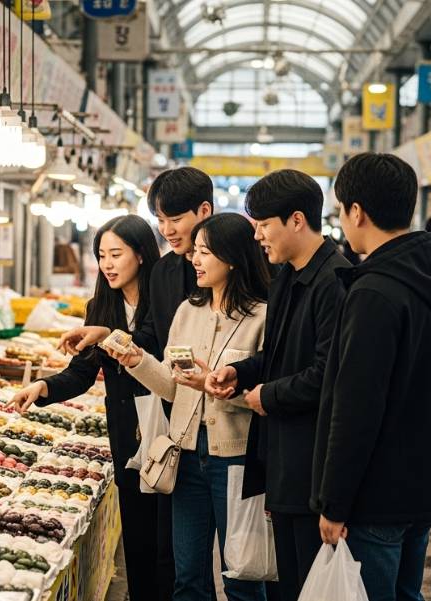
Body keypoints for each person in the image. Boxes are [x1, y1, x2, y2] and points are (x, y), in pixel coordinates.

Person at [312, 153, 431, 601]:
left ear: (357, 211)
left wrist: (334, 502)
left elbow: (357, 406)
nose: (342, 221)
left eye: (341, 210)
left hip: (378, 492)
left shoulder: (374, 291)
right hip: (426, 482)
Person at [104, 213, 269, 601]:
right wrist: (138, 361)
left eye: (205, 252)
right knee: (188, 577)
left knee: (242, 577)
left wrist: (215, 387)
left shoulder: (262, 317)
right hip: (187, 456)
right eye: (195, 251)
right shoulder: (187, 312)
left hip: (236, 460)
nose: (194, 259)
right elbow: (171, 387)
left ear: (232, 257)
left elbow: (264, 397)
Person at [10, 215, 173, 601]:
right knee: (138, 545)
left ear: (141, 254)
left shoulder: (165, 300)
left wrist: (107, 335)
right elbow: (82, 373)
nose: (107, 264)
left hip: (168, 433)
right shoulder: (99, 305)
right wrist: (43, 386)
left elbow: (149, 344)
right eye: (102, 255)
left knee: (169, 549)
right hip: (127, 437)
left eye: (116, 254)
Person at [205, 169, 349, 601]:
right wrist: (242, 372)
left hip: (312, 465)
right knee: (285, 585)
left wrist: (267, 395)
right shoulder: (286, 275)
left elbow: (329, 374)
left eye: (264, 225)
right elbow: (279, 356)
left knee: (309, 585)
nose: (258, 236)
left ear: (297, 220)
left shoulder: (335, 282)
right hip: (282, 461)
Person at [58, 166, 214, 359]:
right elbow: (150, 341)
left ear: (204, 211)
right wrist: (107, 336)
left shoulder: (231, 265)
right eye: (161, 220)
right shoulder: (163, 271)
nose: (167, 230)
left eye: (175, 219)